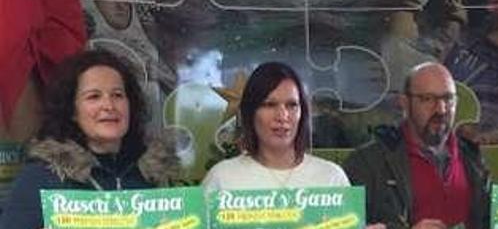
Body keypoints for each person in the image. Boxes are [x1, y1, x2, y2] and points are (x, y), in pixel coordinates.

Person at [0, 50, 179, 229]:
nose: (109, 106)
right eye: (94, 96)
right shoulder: (42, 177)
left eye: (117, 95)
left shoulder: (156, 177)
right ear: (72, 111)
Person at [344, 62, 491, 229]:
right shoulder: (367, 163)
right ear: (405, 103)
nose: (441, 110)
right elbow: (347, 224)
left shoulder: (473, 159)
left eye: (448, 99)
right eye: (427, 99)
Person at [202, 61, 349, 189]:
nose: (282, 116)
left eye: (292, 105)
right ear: (250, 112)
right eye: (270, 105)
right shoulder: (222, 178)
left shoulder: (331, 178)